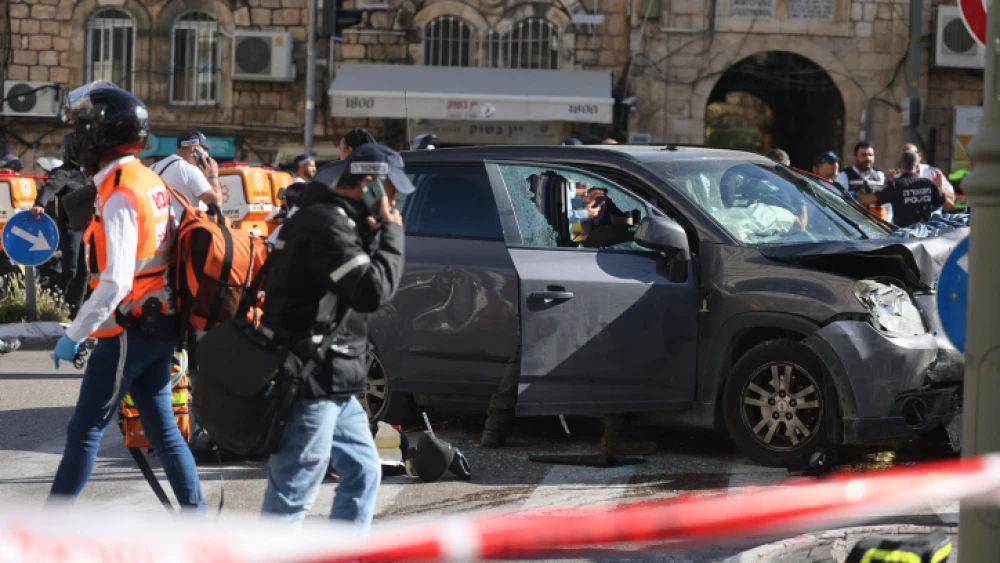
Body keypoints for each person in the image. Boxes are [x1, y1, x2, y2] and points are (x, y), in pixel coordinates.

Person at [49, 82, 204, 509]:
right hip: (157, 323)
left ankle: (46, 531)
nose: (75, 136)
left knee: (85, 430)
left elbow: (115, 280)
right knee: (164, 431)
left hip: (128, 327)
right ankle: (197, 521)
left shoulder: (119, 191)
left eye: (81, 127)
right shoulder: (147, 178)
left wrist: (76, 334)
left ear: (101, 135)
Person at [259, 143, 411, 526]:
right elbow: (371, 291)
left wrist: (377, 231)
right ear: (370, 184)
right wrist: (392, 233)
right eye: (391, 192)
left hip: (333, 378)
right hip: (308, 379)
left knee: (363, 472)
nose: (395, 203)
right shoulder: (324, 225)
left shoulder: (337, 219)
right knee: (292, 494)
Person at [30, 136, 91, 318]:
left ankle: (77, 308)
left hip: (89, 228)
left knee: (85, 269)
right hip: (71, 228)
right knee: (71, 267)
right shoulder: (62, 172)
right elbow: (50, 187)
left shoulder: (90, 173)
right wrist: (39, 203)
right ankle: (61, 304)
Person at [856, 150, 955, 228]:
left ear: (899, 165)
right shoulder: (927, 184)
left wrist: (857, 193)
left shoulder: (895, 185)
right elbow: (950, 206)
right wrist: (938, 188)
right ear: (917, 167)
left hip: (904, 238)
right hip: (924, 236)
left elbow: (866, 200)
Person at [150, 131, 222, 210]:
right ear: (194, 149)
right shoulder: (190, 170)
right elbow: (216, 203)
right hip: (181, 222)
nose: (207, 154)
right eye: (204, 149)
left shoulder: (154, 167)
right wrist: (213, 176)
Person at [834, 142, 889, 222]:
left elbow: (888, 205)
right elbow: (836, 202)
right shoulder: (844, 176)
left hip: (877, 227)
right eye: (864, 155)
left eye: (870, 155)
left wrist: (887, 220)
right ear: (854, 157)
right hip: (853, 225)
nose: (868, 158)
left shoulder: (880, 176)